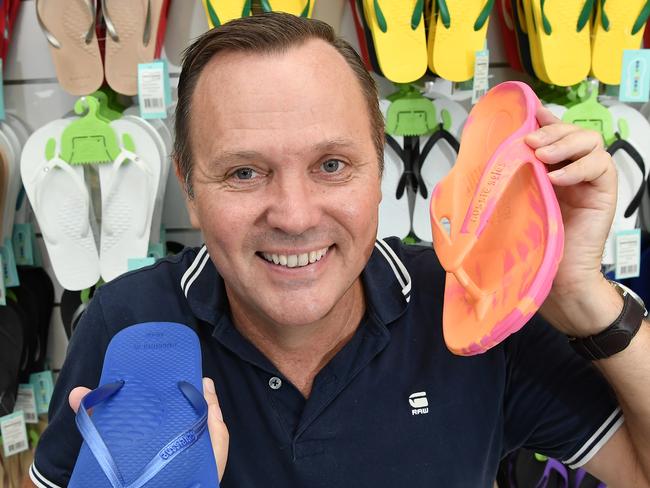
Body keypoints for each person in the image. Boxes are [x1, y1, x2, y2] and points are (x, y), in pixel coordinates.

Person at [28, 12, 650, 488]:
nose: (295, 216)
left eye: (331, 165)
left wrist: (580, 292)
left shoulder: (468, 306)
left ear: (379, 173)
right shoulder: (130, 324)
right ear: (189, 190)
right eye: (244, 173)